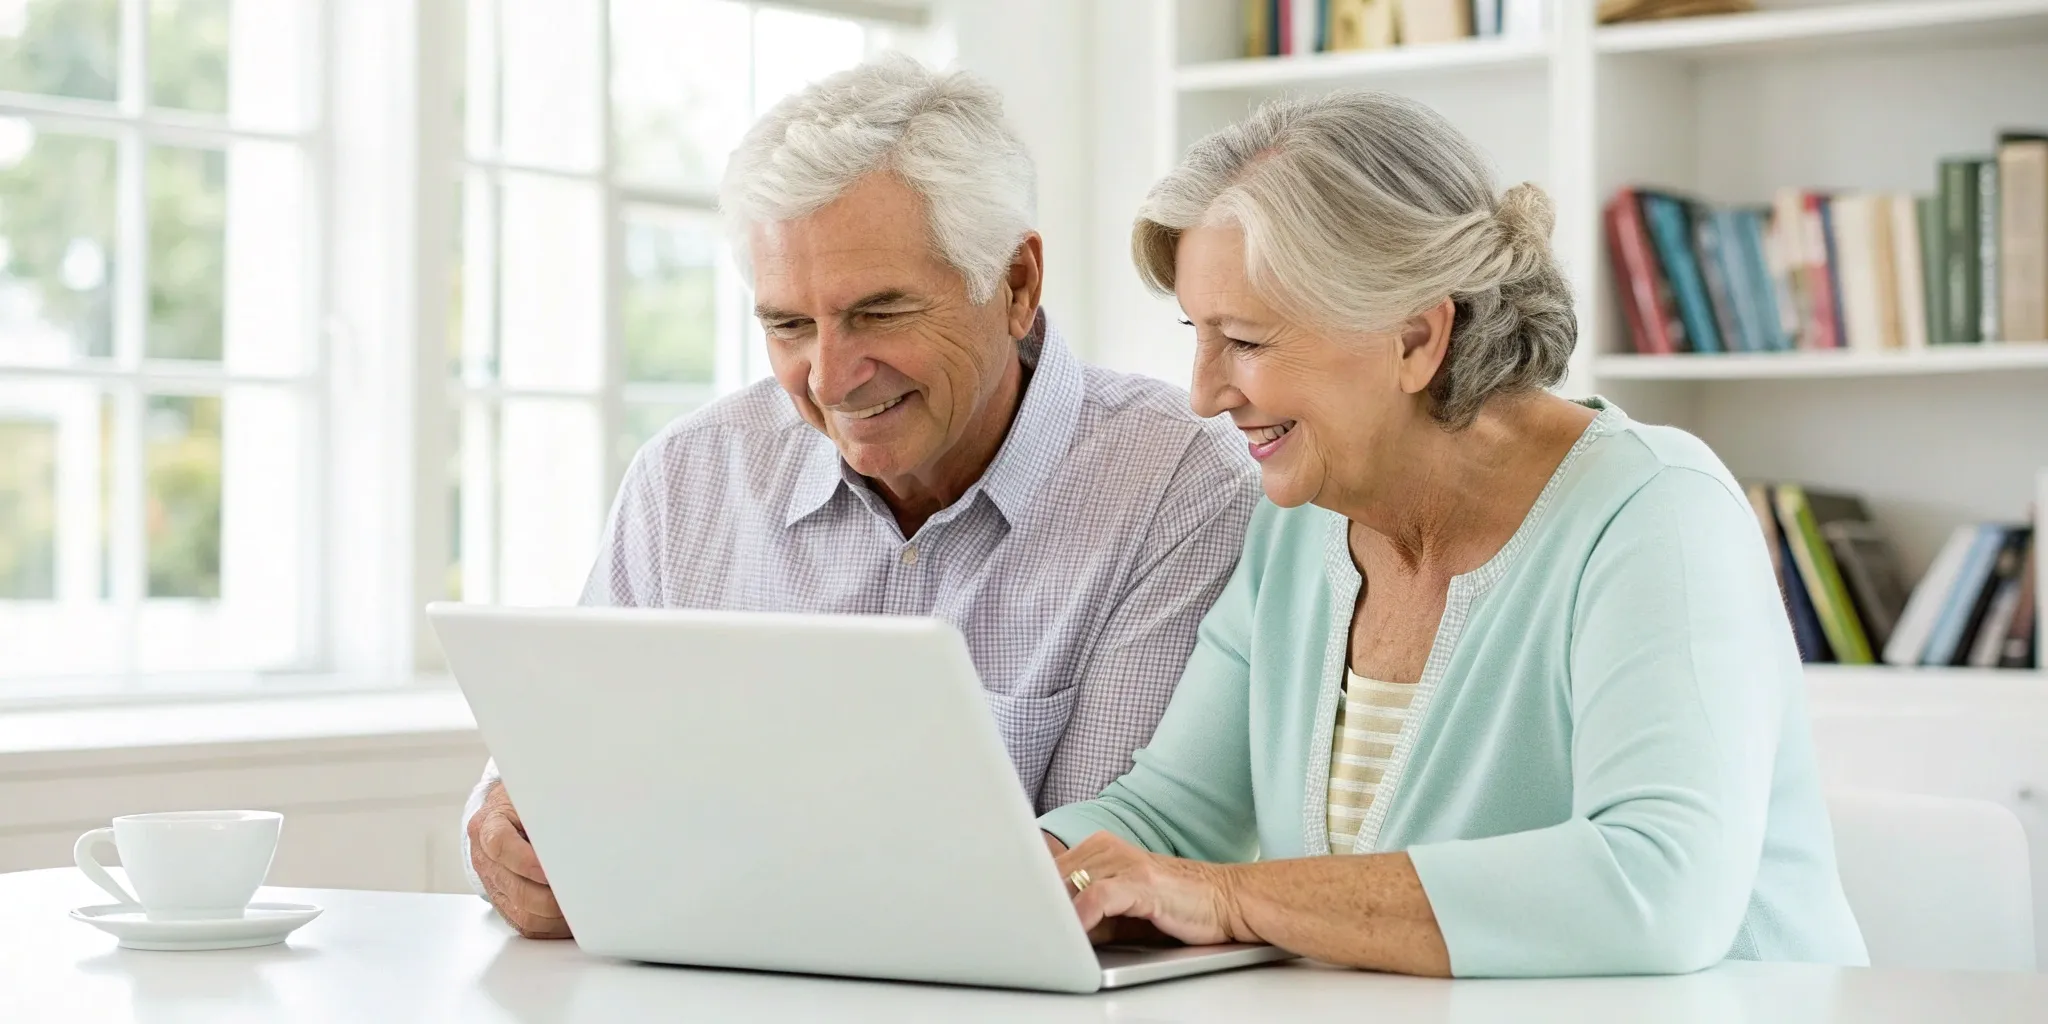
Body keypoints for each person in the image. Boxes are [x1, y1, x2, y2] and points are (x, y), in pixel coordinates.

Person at [1037, 91, 1870, 977]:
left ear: (1415, 337)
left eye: (1244, 340)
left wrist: (1231, 897)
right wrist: (1019, 874)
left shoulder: (1657, 509)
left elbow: (1658, 884)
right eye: (1197, 335)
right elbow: (1167, 820)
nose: (1205, 393)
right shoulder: (1298, 528)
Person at [463, 56, 1259, 939]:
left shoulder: (1180, 485)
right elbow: (545, 772)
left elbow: (1108, 867)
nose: (830, 378)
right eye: (788, 326)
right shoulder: (686, 481)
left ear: (1016, 286)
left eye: (878, 314)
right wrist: (512, 837)